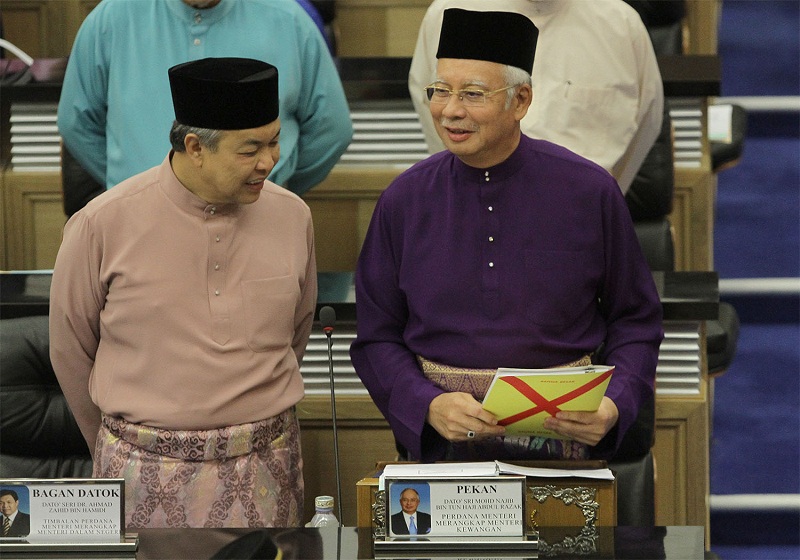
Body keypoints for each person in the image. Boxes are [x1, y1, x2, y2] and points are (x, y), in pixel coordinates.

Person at [350, 8, 663, 464]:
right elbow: (376, 337)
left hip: (564, 447)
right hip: (444, 447)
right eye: (440, 91)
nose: (450, 110)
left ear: (520, 101)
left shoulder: (589, 191)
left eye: (473, 94)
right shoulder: (404, 200)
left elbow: (635, 321)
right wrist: (427, 404)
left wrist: (614, 404)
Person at [49, 57, 318, 529]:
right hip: (143, 470)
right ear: (195, 146)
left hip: (265, 468)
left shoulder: (293, 217)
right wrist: (122, 446)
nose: (269, 161)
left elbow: (296, 331)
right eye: (250, 148)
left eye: (275, 141)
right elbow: (70, 349)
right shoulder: (102, 223)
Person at [57, 0, 353, 212]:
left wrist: (266, 182)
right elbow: (77, 122)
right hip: (138, 226)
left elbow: (331, 129)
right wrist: (136, 189)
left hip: (255, 224)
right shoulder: (110, 19)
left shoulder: (288, 18)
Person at [408, 0, 663, 194]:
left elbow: (646, 121)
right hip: (473, 205)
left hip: (579, 217)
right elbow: (435, 110)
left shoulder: (621, 23)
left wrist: (597, 199)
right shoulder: (450, 11)